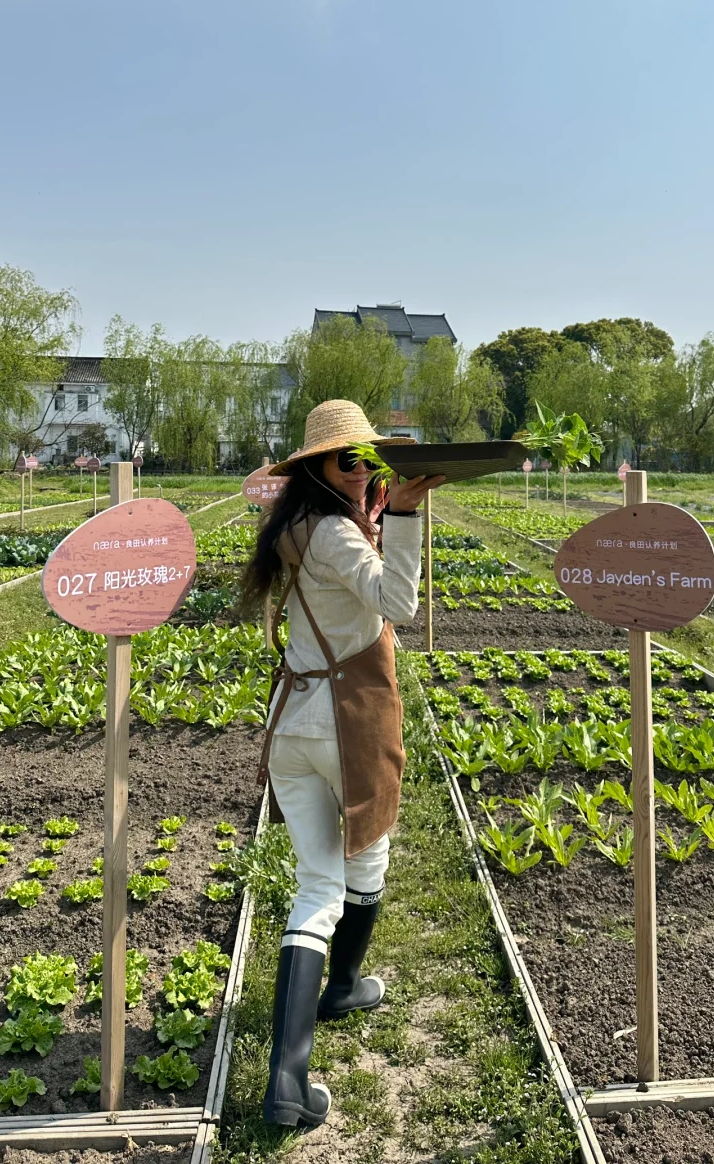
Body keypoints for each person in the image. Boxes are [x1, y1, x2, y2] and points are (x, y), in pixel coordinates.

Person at [241, 400, 443, 1130]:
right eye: (347, 460)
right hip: (343, 721)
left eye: (368, 459)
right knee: (365, 860)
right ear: (317, 468)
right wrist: (408, 517)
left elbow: (343, 587)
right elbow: (399, 603)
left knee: (317, 885)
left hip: (292, 723)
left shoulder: (299, 524)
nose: (362, 470)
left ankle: (300, 1062)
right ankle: (340, 990)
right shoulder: (333, 530)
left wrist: (380, 519)